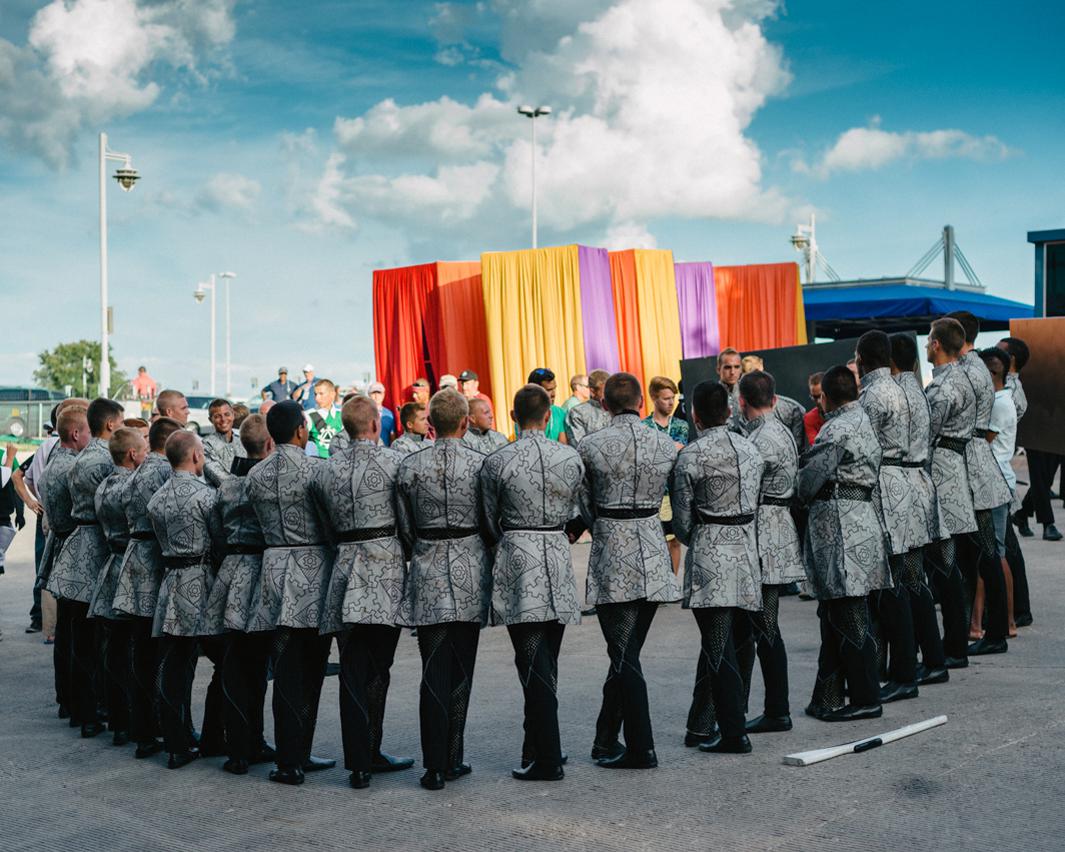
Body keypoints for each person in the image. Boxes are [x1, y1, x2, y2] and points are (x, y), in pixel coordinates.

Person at [480, 384, 583, 781]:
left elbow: (488, 520)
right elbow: (581, 508)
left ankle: (547, 756)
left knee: (531, 660)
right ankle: (538, 745)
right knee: (546, 659)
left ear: (512, 415)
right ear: (548, 415)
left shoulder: (497, 461)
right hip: (555, 551)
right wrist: (563, 531)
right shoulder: (570, 457)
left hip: (518, 553)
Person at [576, 373, 678, 769]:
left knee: (624, 656)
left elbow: (583, 504)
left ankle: (641, 747)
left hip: (613, 550)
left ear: (604, 404)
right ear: (640, 401)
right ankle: (605, 738)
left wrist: (599, 520)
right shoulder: (664, 443)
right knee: (626, 654)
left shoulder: (589, 445)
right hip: (653, 547)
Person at [315, 396, 414, 789]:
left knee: (352, 669)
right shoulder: (395, 463)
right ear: (375, 424)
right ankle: (370, 751)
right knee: (379, 666)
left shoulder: (326, 471)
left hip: (344, 567)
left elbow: (324, 526)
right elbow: (406, 522)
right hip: (385, 568)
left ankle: (359, 761)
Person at [395, 389, 492, 790]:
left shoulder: (410, 466)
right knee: (461, 670)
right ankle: (452, 756)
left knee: (432, 668)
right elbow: (491, 520)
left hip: (429, 565)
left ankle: (434, 765)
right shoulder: (483, 463)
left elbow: (404, 526)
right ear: (466, 422)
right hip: (470, 565)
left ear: (431, 424)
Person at [246, 401, 337, 786]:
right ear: (302, 429)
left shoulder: (256, 474)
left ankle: (289, 758)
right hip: (313, 571)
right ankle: (298, 752)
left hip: (273, 570)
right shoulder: (318, 469)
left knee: (283, 670)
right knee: (313, 668)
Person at [671, 380, 761, 754]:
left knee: (717, 645)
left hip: (710, 547)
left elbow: (680, 522)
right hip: (746, 545)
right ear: (728, 411)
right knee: (740, 641)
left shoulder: (690, 457)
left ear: (694, 415)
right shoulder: (751, 449)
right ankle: (705, 723)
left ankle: (733, 732)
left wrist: (700, 533)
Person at [799, 365, 890, 723]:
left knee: (848, 615)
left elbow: (807, 482)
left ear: (826, 397)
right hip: (862, 517)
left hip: (841, 525)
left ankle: (866, 697)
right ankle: (829, 694)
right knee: (839, 612)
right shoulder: (864, 420)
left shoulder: (835, 429)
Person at [201, 414, 275, 776]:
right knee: (258, 665)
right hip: (261, 572)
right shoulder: (270, 483)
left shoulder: (227, 487)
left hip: (230, 573)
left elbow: (215, 531)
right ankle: (254, 740)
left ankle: (237, 748)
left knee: (234, 666)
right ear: (271, 444)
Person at [47, 397, 124, 738]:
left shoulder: (77, 459)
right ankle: (93, 708)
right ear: (110, 424)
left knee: (78, 636)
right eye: (120, 424)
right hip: (95, 550)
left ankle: (80, 708)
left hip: (75, 548)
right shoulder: (104, 459)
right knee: (94, 638)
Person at [734, 371, 806, 734]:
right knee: (765, 624)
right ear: (775, 400)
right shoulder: (782, 432)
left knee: (764, 626)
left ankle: (777, 708)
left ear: (742, 402)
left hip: (762, 529)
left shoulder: (756, 441)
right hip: (779, 525)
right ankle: (773, 706)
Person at [148, 431, 222, 769]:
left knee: (173, 667)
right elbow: (218, 540)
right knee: (223, 660)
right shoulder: (205, 497)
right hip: (200, 581)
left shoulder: (157, 499)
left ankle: (177, 742)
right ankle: (212, 735)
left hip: (171, 581)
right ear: (195, 456)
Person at [112, 415, 184, 757]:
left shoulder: (139, 470)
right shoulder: (164, 472)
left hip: (134, 558)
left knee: (140, 652)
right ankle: (164, 729)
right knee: (163, 656)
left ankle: (141, 729)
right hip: (155, 562)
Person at [854, 331, 919, 703]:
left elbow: (859, 445)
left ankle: (903, 673)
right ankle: (896, 669)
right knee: (898, 586)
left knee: (891, 590)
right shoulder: (899, 388)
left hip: (882, 488)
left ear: (862, 358)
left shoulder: (873, 394)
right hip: (902, 484)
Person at [946, 310, 1013, 656]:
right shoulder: (979, 369)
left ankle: (990, 632)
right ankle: (991, 630)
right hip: (979, 467)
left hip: (969, 470)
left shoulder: (963, 371)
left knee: (979, 555)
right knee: (983, 555)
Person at [888, 333, 950, 687]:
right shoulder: (920, 392)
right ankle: (934, 658)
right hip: (919, 485)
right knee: (916, 580)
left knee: (905, 581)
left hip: (901, 490)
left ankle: (909, 664)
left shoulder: (895, 393)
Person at [923, 318, 978, 669]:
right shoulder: (963, 378)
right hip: (955, 469)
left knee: (945, 566)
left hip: (942, 473)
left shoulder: (943, 388)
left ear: (937, 344)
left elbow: (925, 433)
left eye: (929, 340)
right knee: (949, 567)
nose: (926, 346)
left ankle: (954, 646)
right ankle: (955, 642)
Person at [89, 427, 148, 747]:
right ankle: (130, 720)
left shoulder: (104, 486)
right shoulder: (131, 487)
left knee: (113, 650)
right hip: (130, 570)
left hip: (110, 567)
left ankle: (116, 719)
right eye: (144, 448)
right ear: (133, 455)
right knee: (130, 652)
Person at [38, 405, 91, 721]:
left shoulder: (54, 462)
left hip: (60, 550)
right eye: (88, 431)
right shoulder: (72, 468)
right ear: (75, 433)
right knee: (78, 633)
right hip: (73, 553)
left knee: (68, 632)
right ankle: (77, 701)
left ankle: (66, 697)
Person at [969, 348, 1019, 639]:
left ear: (991, 373)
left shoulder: (999, 404)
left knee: (993, 554)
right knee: (994, 553)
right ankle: (999, 621)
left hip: (995, 482)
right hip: (997, 480)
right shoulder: (1001, 399)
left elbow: (982, 442)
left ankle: (991, 622)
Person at [996, 336, 1033, 626]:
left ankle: (1018, 609)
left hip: (998, 474)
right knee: (1007, 546)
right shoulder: (1011, 388)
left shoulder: (1009, 390)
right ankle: (1018, 608)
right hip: (1001, 473)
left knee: (1007, 547)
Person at [642, 376, 688, 576]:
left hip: (674, 489)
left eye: (673, 398)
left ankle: (672, 580)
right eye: (665, 398)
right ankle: (657, 580)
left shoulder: (680, 425)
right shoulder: (644, 426)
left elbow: (679, 452)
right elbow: (648, 458)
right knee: (655, 540)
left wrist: (659, 451)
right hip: (653, 492)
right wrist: (671, 449)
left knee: (674, 540)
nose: (670, 403)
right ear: (653, 397)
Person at [203, 398, 247, 486]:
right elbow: (221, 479)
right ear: (210, 420)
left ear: (233, 415)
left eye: (227, 414)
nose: (223, 419)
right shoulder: (206, 446)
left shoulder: (243, 441)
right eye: (217, 416)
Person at [563, 369, 610, 445]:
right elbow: (578, 444)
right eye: (605, 391)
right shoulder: (577, 413)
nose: (610, 393)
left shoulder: (617, 409)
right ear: (592, 391)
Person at [306, 379, 343, 458]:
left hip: (339, 463)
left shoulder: (341, 415)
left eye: (321, 394)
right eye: (315, 394)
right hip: (318, 463)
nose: (317, 398)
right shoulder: (309, 415)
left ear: (332, 394)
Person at [368, 382, 397, 446]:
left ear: (383, 395)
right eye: (373, 393)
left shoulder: (389, 414)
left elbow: (392, 436)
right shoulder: (363, 413)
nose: (376, 396)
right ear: (369, 395)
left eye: (379, 393)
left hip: (385, 453)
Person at [803, 372, 825, 446]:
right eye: (815, 397)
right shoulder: (809, 418)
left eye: (821, 396)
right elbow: (815, 446)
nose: (818, 401)